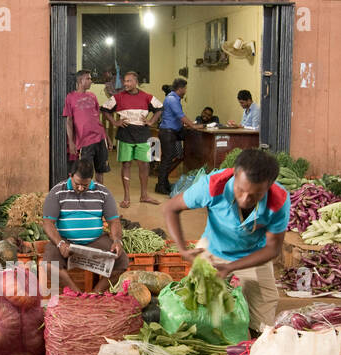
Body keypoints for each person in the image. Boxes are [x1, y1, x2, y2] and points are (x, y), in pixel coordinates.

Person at [162, 147, 288, 333]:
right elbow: (171, 208)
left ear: (269, 185)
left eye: (255, 195)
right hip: (213, 250)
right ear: (235, 176)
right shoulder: (213, 185)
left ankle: (248, 350)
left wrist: (231, 267)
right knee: (194, 310)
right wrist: (182, 249)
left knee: (263, 316)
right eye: (240, 190)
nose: (245, 199)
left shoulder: (278, 199)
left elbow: (272, 249)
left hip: (255, 254)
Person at [41, 154, 129, 294]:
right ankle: (77, 294)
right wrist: (59, 243)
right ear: (71, 175)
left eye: (85, 185)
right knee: (50, 264)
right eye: (77, 184)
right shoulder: (57, 191)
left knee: (122, 262)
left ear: (91, 179)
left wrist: (117, 240)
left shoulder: (103, 192)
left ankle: (95, 293)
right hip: (65, 241)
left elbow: (114, 221)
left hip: (95, 240)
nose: (81, 188)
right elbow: (48, 223)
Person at [101, 71, 164, 208]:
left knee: (144, 165)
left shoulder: (147, 97)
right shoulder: (118, 97)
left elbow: (160, 108)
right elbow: (104, 109)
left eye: (129, 81)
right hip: (125, 134)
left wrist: (152, 121)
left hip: (143, 134)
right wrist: (114, 122)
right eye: (125, 81)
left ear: (136, 82)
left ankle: (144, 195)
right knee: (126, 165)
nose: (125, 84)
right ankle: (126, 198)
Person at [156, 77, 206, 195]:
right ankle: (160, 185)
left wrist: (190, 125)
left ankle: (164, 183)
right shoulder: (172, 99)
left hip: (171, 132)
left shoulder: (173, 98)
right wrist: (193, 126)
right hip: (168, 132)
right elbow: (181, 116)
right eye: (185, 88)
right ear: (180, 88)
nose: (186, 91)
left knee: (169, 158)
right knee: (167, 159)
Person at [63, 69, 111, 176]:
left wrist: (107, 137)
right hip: (85, 141)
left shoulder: (92, 96)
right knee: (85, 171)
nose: (91, 81)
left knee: (101, 171)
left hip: (100, 138)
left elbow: (97, 119)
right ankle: (86, 192)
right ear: (80, 80)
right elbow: (69, 121)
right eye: (88, 78)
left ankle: (99, 192)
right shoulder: (70, 97)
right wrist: (71, 142)